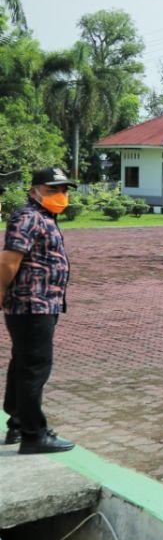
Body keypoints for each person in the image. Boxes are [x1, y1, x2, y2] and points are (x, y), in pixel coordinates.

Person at [2, 167, 76, 453]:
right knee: (35, 367)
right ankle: (35, 435)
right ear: (34, 191)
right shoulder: (28, 216)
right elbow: (9, 259)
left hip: (42, 302)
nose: (60, 195)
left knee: (23, 364)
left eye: (63, 190)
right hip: (32, 303)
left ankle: (18, 425)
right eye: (52, 190)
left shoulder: (43, 217)